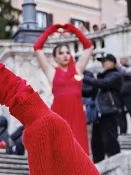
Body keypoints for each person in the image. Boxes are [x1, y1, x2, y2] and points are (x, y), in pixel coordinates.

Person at [33, 24, 93, 155]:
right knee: (60, 151)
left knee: (79, 150)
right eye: (61, 53)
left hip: (76, 114)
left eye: (67, 52)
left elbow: (89, 47)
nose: (65, 55)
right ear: (55, 58)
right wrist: (51, 30)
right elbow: (37, 47)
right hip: (59, 114)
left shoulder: (77, 68)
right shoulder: (51, 72)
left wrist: (74, 30)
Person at [85, 53, 125, 162]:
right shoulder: (100, 78)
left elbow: (105, 83)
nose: (103, 64)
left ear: (113, 63)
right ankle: (98, 167)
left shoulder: (116, 75)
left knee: (110, 142)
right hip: (99, 115)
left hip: (110, 112)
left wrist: (84, 78)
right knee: (96, 144)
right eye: (102, 62)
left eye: (105, 61)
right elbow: (90, 92)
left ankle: (116, 164)